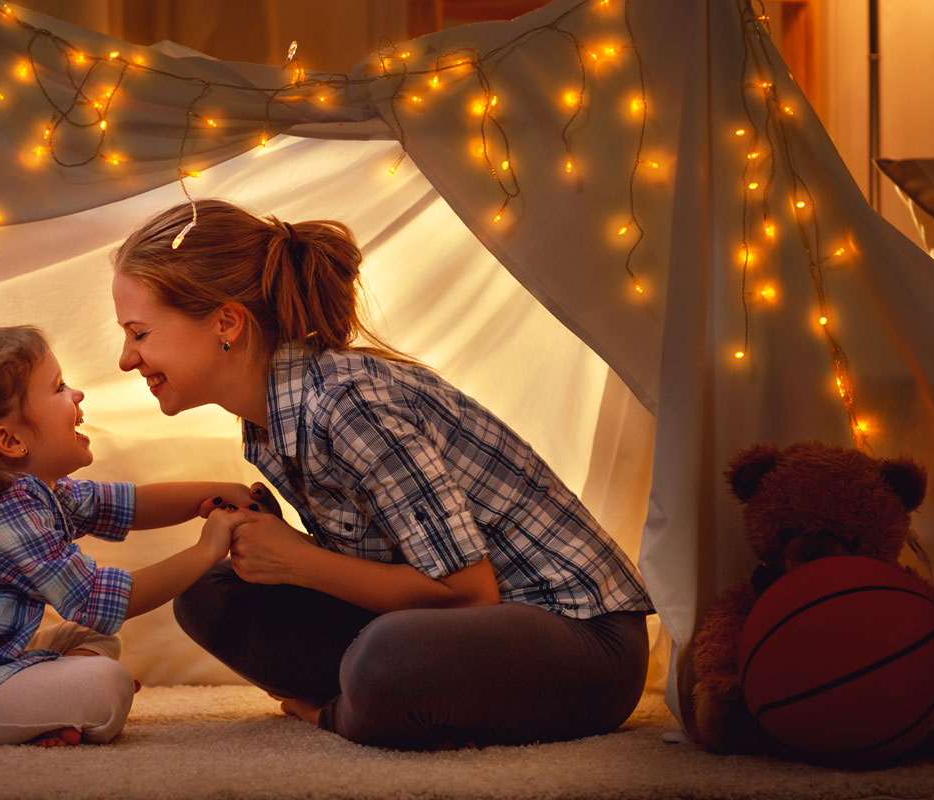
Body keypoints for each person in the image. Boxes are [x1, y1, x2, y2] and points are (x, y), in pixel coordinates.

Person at [110, 200, 655, 749]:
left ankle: (342, 713)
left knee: (389, 659)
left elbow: (468, 595)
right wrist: (279, 548)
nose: (126, 360)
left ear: (226, 323)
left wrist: (298, 561)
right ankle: (380, 700)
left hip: (580, 641)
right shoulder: (269, 421)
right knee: (209, 592)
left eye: (139, 333)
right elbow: (390, 562)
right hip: (458, 630)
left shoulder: (349, 405)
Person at [0, 325, 264, 747]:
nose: (77, 394)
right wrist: (207, 550)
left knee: (92, 639)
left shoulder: (32, 492)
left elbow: (129, 504)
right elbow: (97, 599)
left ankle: (45, 709)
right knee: (107, 687)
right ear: (10, 440)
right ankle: (40, 709)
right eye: (59, 386)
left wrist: (214, 492)